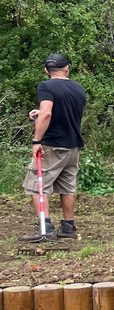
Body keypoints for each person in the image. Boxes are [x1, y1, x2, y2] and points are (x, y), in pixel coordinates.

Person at [25, 53, 87, 240]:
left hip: (52, 145)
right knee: (67, 187)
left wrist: (36, 141)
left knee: (37, 186)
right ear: (67, 68)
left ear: (46, 70)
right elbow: (65, 112)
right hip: (73, 145)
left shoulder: (46, 86)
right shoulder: (78, 88)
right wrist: (41, 112)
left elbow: (47, 114)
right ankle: (68, 227)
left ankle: (46, 228)